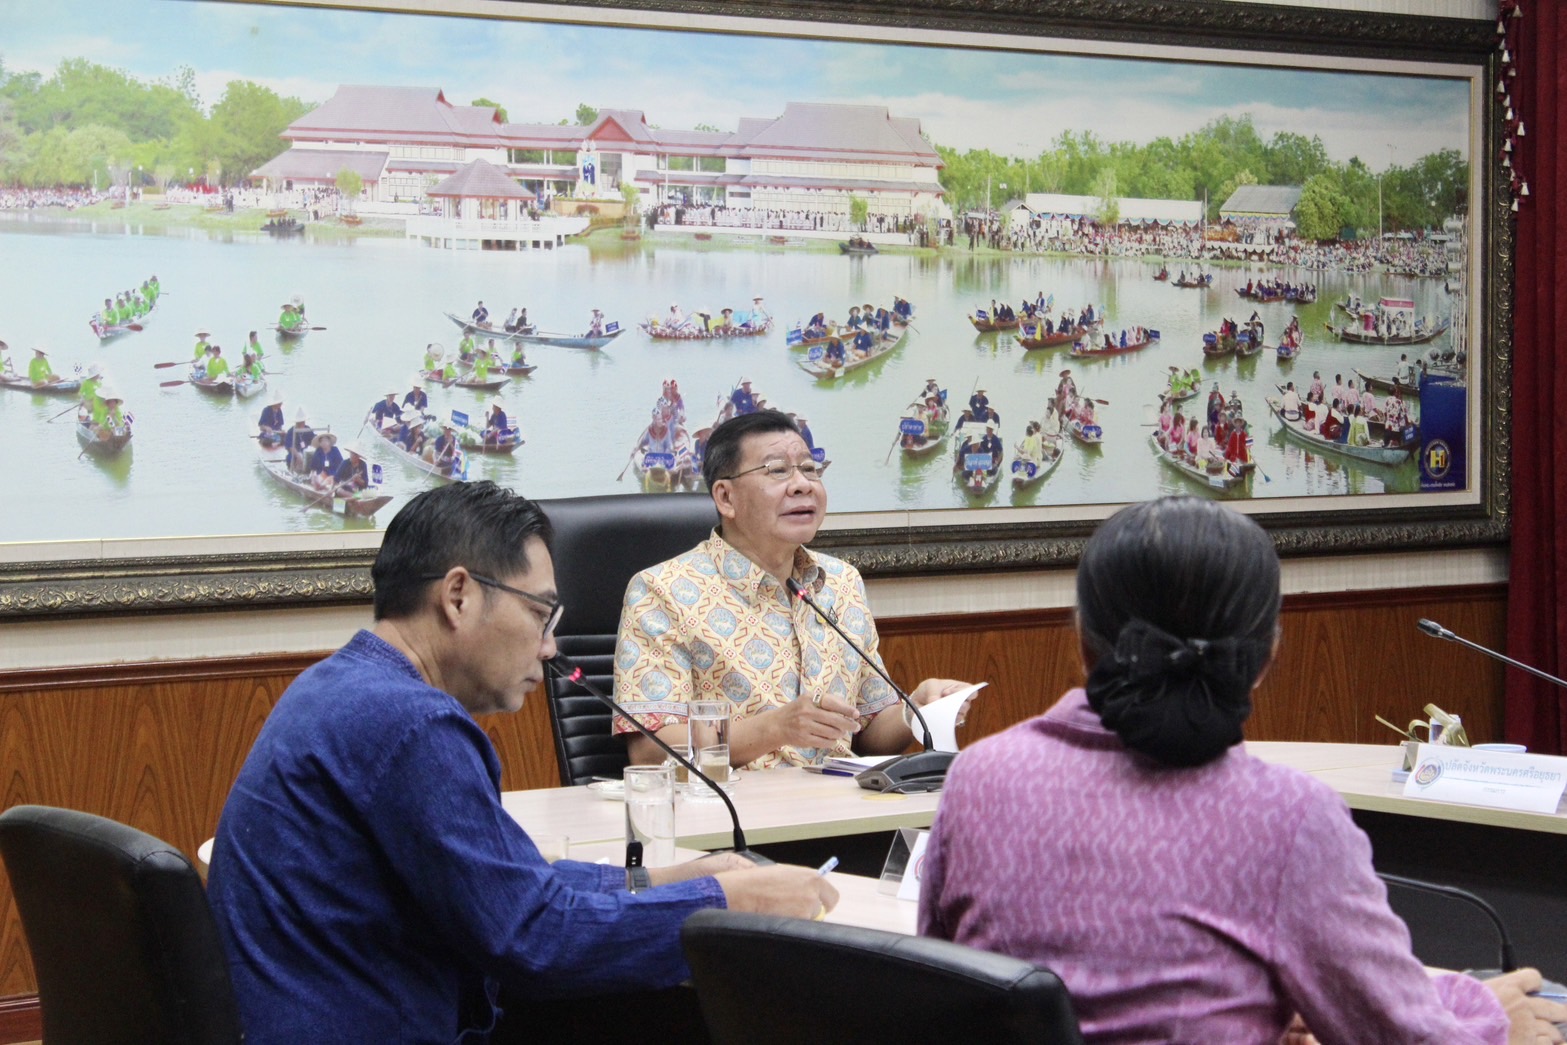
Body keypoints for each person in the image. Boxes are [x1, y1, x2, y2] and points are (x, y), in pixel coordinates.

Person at [918, 496, 1567, 1045]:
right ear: (1266, 656)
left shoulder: (977, 778)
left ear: (1080, 638)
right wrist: (1491, 1016)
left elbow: (950, 991)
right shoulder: (1286, 815)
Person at [208, 482, 836, 1044]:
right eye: (540, 613)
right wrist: (725, 903)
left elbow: (512, 886)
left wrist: (670, 882)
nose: (551, 646)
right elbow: (536, 939)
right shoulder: (412, 723)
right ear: (458, 595)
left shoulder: (341, 685)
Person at [614, 410, 968, 771]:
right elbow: (650, 749)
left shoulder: (840, 582)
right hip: (732, 814)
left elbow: (868, 732)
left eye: (810, 468)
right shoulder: (662, 590)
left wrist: (917, 712)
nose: (803, 485)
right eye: (777, 470)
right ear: (726, 497)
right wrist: (775, 729)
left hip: (837, 811)